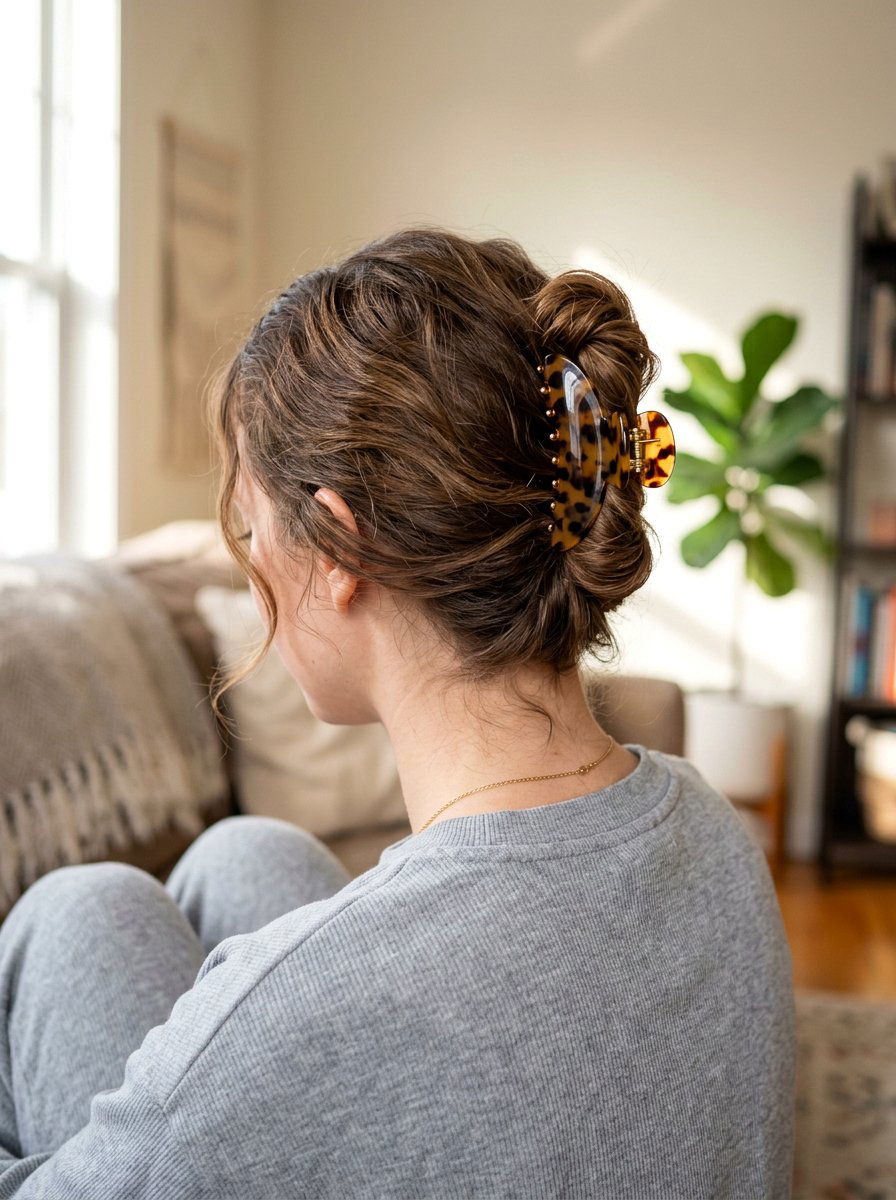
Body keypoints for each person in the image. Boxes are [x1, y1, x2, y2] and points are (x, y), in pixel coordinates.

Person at [0, 227, 795, 1198]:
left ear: (336, 548)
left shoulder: (300, 1011)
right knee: (248, 854)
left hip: (285, 1046)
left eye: (252, 529)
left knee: (78, 909)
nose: (252, 569)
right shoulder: (707, 827)